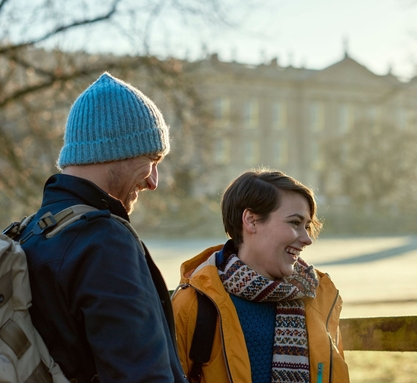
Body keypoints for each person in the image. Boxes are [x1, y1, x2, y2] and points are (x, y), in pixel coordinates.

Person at [15, 72, 187, 382]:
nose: (153, 181)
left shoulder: (30, 233)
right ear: (118, 151)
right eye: (153, 159)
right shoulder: (104, 241)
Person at [172, 169, 350, 383]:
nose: (307, 239)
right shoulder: (194, 305)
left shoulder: (318, 297)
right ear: (251, 220)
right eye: (294, 223)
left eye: (307, 226)